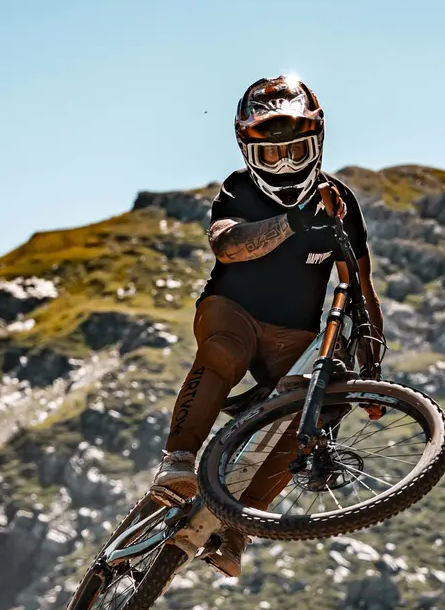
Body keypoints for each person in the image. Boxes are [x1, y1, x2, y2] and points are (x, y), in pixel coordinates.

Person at [151, 75, 384, 578]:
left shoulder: (341, 202)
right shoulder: (238, 188)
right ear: (247, 152)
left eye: (296, 151)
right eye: (270, 155)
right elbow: (227, 246)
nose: (285, 165)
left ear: (317, 145)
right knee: (225, 351)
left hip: (291, 338)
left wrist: (372, 366)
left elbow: (360, 286)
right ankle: (179, 460)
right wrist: (293, 223)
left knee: (325, 400)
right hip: (231, 311)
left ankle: (236, 524)